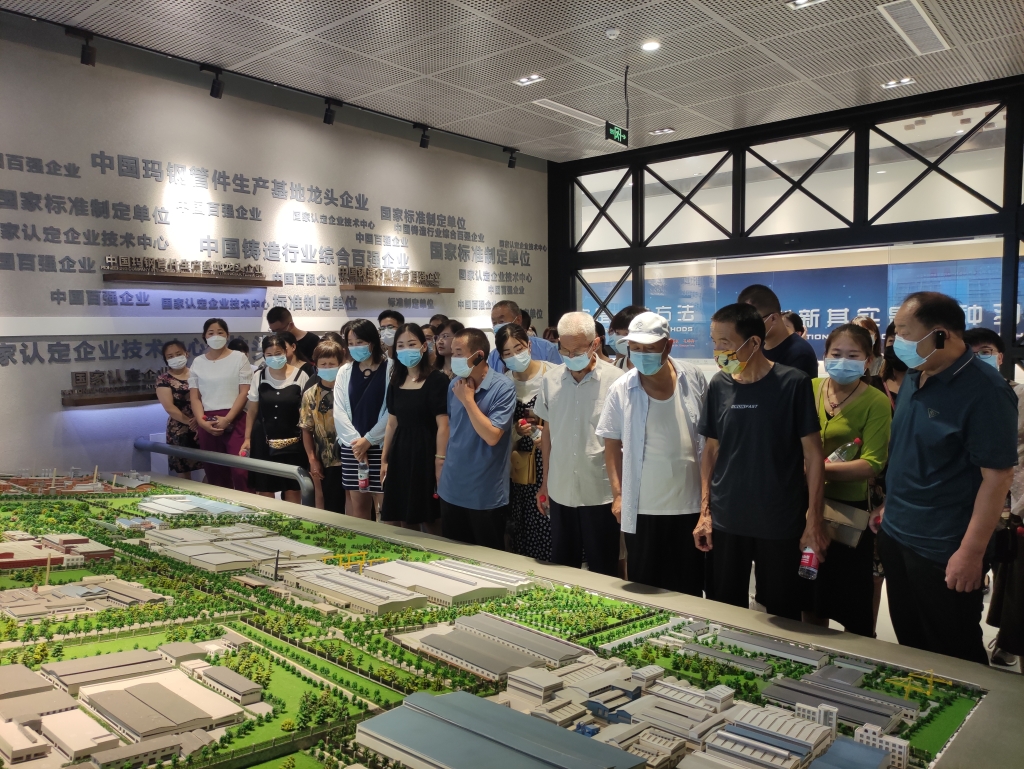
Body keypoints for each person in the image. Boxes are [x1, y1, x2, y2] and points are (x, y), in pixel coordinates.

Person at [878, 292, 1016, 664]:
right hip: (897, 534)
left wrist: (971, 553)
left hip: (943, 547)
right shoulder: (916, 374)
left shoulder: (986, 391)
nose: (897, 341)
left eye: (905, 332)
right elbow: (910, 451)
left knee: (953, 652)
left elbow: (998, 478)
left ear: (941, 335)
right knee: (911, 643)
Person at [693, 303, 828, 620]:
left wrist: (813, 519)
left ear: (754, 342)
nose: (718, 351)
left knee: (782, 612)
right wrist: (705, 512)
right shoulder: (719, 385)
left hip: (779, 520)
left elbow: (813, 455)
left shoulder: (793, 383)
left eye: (725, 343)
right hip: (728, 518)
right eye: (714, 342)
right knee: (724, 608)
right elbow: (710, 450)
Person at [597, 312, 708, 595]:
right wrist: (618, 495)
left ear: (668, 346)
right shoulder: (622, 388)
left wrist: (708, 504)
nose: (641, 355)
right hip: (643, 507)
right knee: (645, 586)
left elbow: (708, 439)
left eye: (649, 348)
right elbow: (611, 443)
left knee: (690, 587)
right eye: (635, 348)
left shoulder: (692, 377)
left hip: (690, 504)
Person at [806, 324, 891, 636]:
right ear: (825, 355)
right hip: (805, 506)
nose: (843, 361)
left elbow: (872, 464)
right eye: (836, 353)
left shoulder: (876, 401)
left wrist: (813, 469)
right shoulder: (809, 388)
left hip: (849, 514)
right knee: (810, 593)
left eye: (853, 355)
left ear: (868, 361)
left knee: (851, 600)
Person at [535, 312, 625, 576]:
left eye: (577, 350)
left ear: (595, 343)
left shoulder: (616, 380)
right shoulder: (550, 380)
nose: (570, 356)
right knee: (563, 564)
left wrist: (620, 492)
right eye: (564, 349)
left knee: (603, 566)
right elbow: (548, 434)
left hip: (600, 490)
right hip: (561, 488)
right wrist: (545, 481)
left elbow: (623, 441)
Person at [437, 328, 517, 549]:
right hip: (452, 488)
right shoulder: (455, 384)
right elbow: (452, 428)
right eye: (453, 353)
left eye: (459, 353)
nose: (454, 358)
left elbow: (492, 436)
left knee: (488, 558)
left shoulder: (503, 387)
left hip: (485, 493)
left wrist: (468, 400)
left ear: (479, 355)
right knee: (453, 556)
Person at [380, 324, 450, 534]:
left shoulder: (437, 380)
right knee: (402, 514)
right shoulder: (396, 380)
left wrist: (440, 460)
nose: (406, 350)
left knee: (430, 515)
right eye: (401, 345)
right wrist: (385, 459)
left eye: (412, 344)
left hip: (427, 452)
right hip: (400, 452)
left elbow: (444, 424)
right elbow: (392, 423)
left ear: (423, 346)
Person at [497, 323, 556, 560]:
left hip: (549, 459)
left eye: (519, 349)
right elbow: (499, 429)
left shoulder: (552, 375)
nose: (514, 356)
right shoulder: (503, 383)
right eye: (507, 353)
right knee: (520, 519)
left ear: (529, 346)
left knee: (547, 515)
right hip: (517, 463)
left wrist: (547, 433)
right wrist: (517, 432)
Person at [240, 334, 310, 503]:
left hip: (294, 441)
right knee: (265, 488)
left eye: (278, 353)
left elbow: (306, 413)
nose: (274, 358)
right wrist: (247, 438)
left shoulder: (301, 376)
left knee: (293, 487)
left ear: (286, 351)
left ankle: (293, 518)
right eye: (269, 354)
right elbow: (252, 410)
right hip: (263, 440)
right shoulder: (259, 376)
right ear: (264, 355)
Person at [334, 319, 392, 520]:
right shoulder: (344, 371)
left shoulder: (391, 368)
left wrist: (368, 440)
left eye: (359, 342)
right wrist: (357, 445)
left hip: (383, 447)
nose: (355, 347)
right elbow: (339, 411)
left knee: (387, 509)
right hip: (353, 449)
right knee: (359, 508)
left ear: (372, 342)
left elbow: (392, 411)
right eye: (350, 343)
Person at [188, 319, 251, 490]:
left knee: (241, 472)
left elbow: (244, 392)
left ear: (227, 335)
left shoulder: (239, 358)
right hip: (207, 422)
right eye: (211, 333)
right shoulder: (198, 362)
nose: (216, 336)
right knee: (215, 473)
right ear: (204, 336)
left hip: (236, 419)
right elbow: (195, 397)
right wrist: (201, 422)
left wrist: (228, 419)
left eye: (220, 332)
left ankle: (248, 505)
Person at [300, 339, 345, 514]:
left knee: (358, 505)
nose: (327, 367)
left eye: (332, 364)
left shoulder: (349, 389)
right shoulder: (310, 395)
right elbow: (306, 429)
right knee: (332, 506)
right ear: (316, 366)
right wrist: (312, 459)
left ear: (340, 364)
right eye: (323, 364)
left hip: (352, 456)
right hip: (327, 460)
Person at [738, 284, 818, 379]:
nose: (747, 327)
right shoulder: (758, 346)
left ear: (773, 319)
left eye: (752, 321)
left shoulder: (800, 353)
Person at [155, 340, 202, 479]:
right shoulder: (164, 379)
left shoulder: (198, 373)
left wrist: (199, 420)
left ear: (186, 354)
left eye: (178, 354)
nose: (175, 358)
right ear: (166, 360)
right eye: (170, 356)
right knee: (183, 471)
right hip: (180, 428)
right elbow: (169, 407)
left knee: (212, 467)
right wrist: (191, 423)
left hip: (203, 424)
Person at [489, 301, 561, 373]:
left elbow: (559, 375)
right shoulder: (493, 357)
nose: (497, 326)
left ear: (518, 320)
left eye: (501, 321)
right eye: (494, 323)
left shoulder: (546, 348)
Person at [877, 321, 907, 411]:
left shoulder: (924, 384)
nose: (896, 346)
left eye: (903, 341)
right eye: (891, 341)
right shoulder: (875, 384)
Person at [607, 305, 647, 370]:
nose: (621, 338)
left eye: (627, 333)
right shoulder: (612, 369)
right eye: (617, 333)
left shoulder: (659, 367)